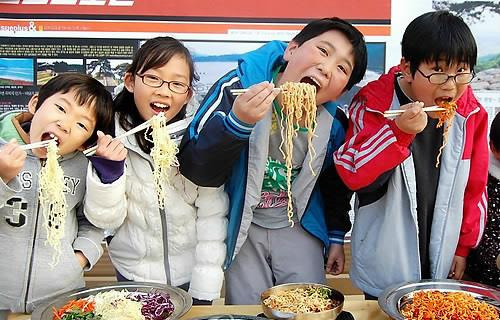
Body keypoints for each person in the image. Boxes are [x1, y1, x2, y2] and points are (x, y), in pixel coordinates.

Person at [179, 18, 367, 304]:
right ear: (292, 50)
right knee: (248, 317)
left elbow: (335, 185)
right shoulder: (236, 89)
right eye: (323, 51)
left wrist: (336, 235)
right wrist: (237, 123)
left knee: (308, 311)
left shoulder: (334, 123)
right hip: (243, 224)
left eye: (342, 68)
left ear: (342, 91)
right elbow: (196, 168)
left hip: (301, 225)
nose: (326, 69)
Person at [333, 11, 489, 298]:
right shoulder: (374, 103)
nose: (450, 86)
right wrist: (398, 133)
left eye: (461, 71)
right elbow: (353, 174)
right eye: (438, 71)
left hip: (443, 252)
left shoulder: (471, 114)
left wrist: (463, 247)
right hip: (385, 254)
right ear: (407, 67)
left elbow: (475, 187)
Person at [84, 37, 228, 304]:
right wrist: (109, 174)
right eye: (153, 78)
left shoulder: (197, 140)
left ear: (187, 94)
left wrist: (205, 290)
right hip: (132, 276)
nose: (164, 91)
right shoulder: (109, 140)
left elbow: (212, 215)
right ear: (130, 81)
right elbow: (105, 221)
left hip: (190, 275)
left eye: (176, 84)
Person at [0, 73, 116, 313]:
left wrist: (79, 258)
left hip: (62, 298)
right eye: (61, 108)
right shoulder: (3, 154)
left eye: (82, 124)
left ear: (86, 142)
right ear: (35, 105)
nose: (65, 124)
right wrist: (2, 177)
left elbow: (92, 221)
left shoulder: (83, 168)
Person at [466, 112, 500, 287]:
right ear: (493, 148)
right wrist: (496, 255)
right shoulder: (483, 179)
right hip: (484, 281)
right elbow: (476, 227)